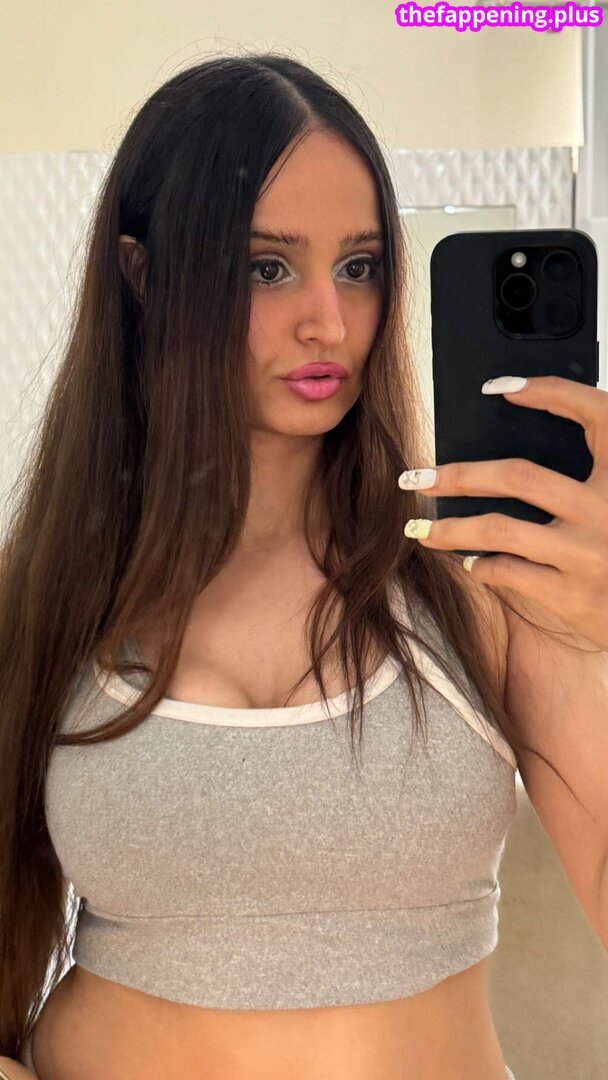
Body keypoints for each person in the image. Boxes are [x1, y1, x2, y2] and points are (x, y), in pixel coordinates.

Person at [0, 53, 521, 1079]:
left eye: (359, 266)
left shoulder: (475, 569)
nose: (328, 320)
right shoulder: (45, 588)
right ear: (143, 277)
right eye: (265, 268)